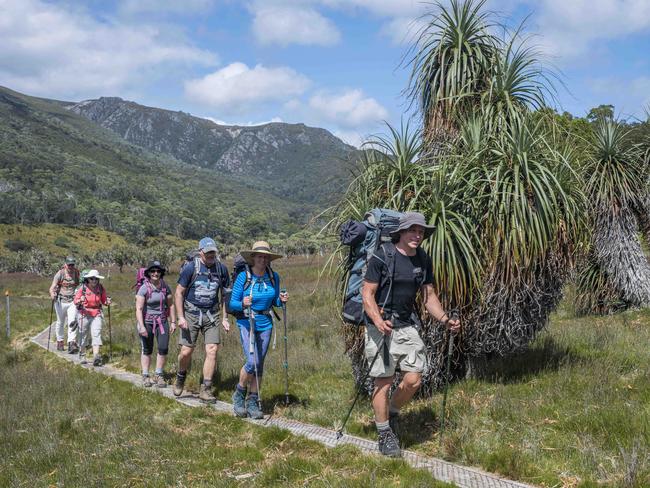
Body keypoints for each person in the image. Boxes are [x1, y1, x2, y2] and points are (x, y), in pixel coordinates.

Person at [361, 212, 461, 458]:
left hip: (407, 325)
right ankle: (384, 433)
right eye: (412, 230)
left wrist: (445, 319)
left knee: (413, 380)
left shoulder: (422, 259)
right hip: (380, 327)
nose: (417, 235)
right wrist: (377, 319)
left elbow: (429, 296)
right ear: (401, 233)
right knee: (383, 381)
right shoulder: (382, 255)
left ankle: (392, 412)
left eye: (421, 231)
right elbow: (367, 294)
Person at [229, 241, 288, 419]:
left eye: (266, 257)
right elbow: (232, 303)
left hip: (266, 323)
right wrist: (242, 303)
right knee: (252, 360)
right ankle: (239, 394)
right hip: (247, 322)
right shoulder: (243, 277)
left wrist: (281, 300)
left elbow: (275, 301)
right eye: (259, 256)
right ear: (253, 258)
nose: (263, 259)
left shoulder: (273, 276)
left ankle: (253, 400)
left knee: (259, 364)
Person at [174, 237, 230, 403]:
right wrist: (180, 317)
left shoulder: (221, 269)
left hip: (212, 315)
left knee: (212, 350)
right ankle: (181, 376)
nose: (211, 255)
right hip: (191, 313)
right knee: (186, 351)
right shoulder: (190, 268)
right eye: (208, 253)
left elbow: (225, 295)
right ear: (201, 253)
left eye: (213, 252)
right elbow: (178, 293)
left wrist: (225, 317)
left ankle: (205, 389)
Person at [135, 260, 176, 388]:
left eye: (158, 271)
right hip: (147, 321)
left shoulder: (165, 287)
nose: (155, 273)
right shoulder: (144, 288)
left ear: (161, 273)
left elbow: (171, 305)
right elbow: (139, 309)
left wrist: (173, 321)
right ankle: (146, 375)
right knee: (147, 349)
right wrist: (141, 326)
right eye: (153, 271)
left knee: (163, 348)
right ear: (148, 273)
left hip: (162, 321)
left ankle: (158, 374)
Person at [73, 269, 112, 366]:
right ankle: (82, 354)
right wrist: (80, 300)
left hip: (97, 313)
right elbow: (75, 301)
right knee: (83, 334)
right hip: (84, 313)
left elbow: (104, 301)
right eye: (92, 279)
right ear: (88, 279)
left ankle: (96, 356)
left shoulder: (101, 288)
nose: (94, 281)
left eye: (96, 279)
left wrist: (107, 302)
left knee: (96, 333)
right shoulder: (83, 288)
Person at [48, 256, 80, 352]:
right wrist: (52, 294)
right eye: (69, 265)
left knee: (72, 321)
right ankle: (60, 341)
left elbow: (81, 284)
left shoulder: (77, 273)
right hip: (60, 301)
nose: (71, 266)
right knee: (60, 322)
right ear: (66, 264)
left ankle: (71, 343)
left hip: (72, 301)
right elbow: (52, 287)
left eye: (72, 265)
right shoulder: (60, 273)